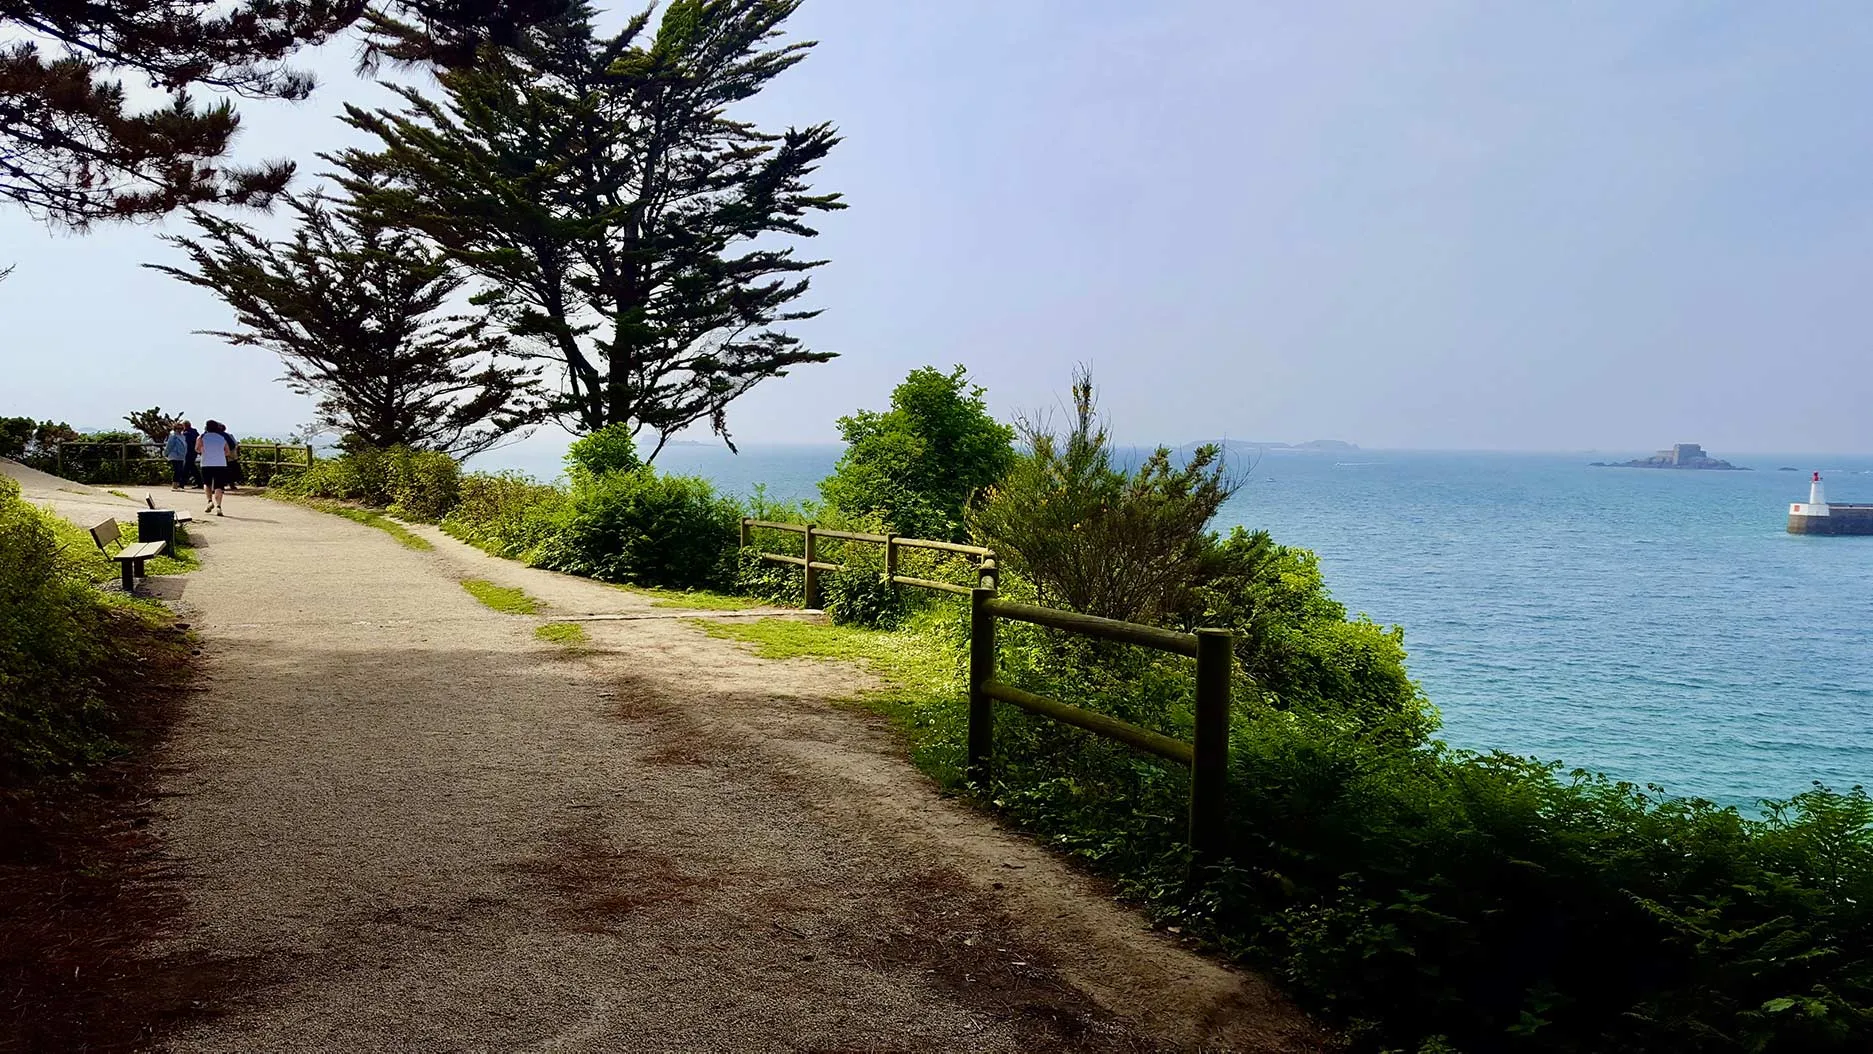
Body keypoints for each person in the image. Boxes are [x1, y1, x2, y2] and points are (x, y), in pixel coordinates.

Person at [197, 420, 239, 516]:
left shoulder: (201, 437)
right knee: (219, 486)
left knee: (207, 483)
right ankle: (219, 506)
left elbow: (197, 449)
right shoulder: (222, 437)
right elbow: (228, 451)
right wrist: (219, 454)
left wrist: (204, 453)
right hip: (220, 463)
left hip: (206, 463)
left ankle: (209, 501)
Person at [163, 422, 189, 490]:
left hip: (181, 456)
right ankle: (174, 485)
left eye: (181, 428)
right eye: (178, 428)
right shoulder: (173, 436)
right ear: (175, 429)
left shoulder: (183, 436)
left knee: (180, 470)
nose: (179, 430)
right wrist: (166, 453)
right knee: (177, 470)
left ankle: (178, 485)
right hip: (174, 455)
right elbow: (169, 446)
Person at [181, 419, 201, 488]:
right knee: (192, 468)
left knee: (186, 468)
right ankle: (200, 482)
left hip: (188, 452)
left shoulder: (186, 434)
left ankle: (182, 483)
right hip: (194, 452)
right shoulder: (195, 433)